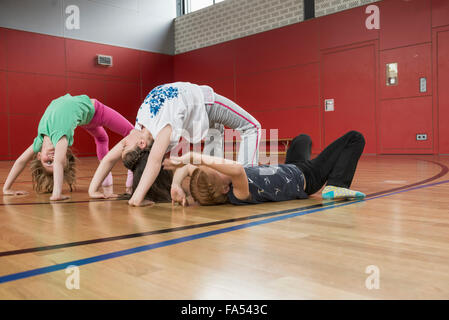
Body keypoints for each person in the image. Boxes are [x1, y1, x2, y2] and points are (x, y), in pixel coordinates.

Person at [88, 82, 260, 206]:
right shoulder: (161, 129)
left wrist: (93, 190)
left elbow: (109, 158)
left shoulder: (140, 129)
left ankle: (222, 187)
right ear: (141, 144)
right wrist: (136, 198)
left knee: (213, 152)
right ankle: (248, 181)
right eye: (125, 146)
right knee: (252, 127)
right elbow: (154, 162)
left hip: (197, 114)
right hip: (206, 102)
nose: (123, 143)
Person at [163, 131, 366, 206]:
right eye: (217, 169)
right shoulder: (239, 193)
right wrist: (191, 156)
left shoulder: (225, 186)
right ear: (225, 188)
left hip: (292, 168)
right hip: (308, 178)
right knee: (355, 137)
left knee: (302, 139)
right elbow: (236, 168)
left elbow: (189, 169)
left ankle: (331, 177)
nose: (218, 165)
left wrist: (176, 184)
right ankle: (336, 185)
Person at [2, 94, 134, 200]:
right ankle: (130, 175)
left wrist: (6, 188)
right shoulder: (61, 138)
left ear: (38, 155)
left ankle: (106, 179)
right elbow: (58, 162)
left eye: (48, 162)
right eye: (55, 160)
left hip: (85, 118)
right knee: (133, 133)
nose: (53, 158)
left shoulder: (39, 141)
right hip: (97, 111)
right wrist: (56, 194)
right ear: (63, 153)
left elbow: (20, 161)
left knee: (102, 138)